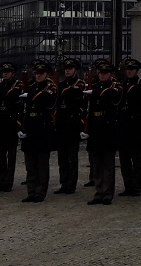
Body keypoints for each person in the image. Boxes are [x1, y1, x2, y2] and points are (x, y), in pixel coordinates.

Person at [85, 58, 123, 205]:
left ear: (110, 74)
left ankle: (107, 193)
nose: (102, 74)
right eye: (100, 72)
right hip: (95, 128)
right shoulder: (95, 87)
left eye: (105, 72)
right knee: (96, 164)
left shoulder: (114, 87)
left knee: (107, 164)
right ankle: (98, 192)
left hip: (108, 129)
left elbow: (114, 96)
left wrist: (96, 92)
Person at [20, 59, 58, 203]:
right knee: (30, 165)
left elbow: (48, 100)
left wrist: (30, 96)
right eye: (36, 73)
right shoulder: (30, 85)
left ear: (47, 74)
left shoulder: (51, 87)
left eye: (41, 73)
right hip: (30, 128)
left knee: (42, 164)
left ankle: (40, 192)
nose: (38, 75)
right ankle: (31, 191)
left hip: (43, 130)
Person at [0, 61, 24, 193]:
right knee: (1, 158)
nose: (5, 74)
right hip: (1, 125)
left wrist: (1, 93)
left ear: (13, 73)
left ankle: (9, 182)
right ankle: (1, 181)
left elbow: (15, 96)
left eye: (8, 72)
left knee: (11, 158)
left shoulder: (17, 85)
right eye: (4, 72)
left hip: (12, 125)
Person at [116, 58, 141, 196]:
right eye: (127, 69)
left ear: (136, 71)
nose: (129, 72)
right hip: (123, 125)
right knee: (124, 159)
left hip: (136, 125)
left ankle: (136, 186)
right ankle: (128, 185)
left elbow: (138, 92)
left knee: (136, 158)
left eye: (132, 69)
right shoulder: (121, 83)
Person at [54, 58, 86, 195]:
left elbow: (74, 95)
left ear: (75, 70)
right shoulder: (61, 84)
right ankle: (64, 183)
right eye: (66, 69)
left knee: (72, 158)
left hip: (73, 125)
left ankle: (71, 184)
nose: (67, 71)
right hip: (61, 125)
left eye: (70, 69)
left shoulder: (80, 84)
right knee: (62, 157)